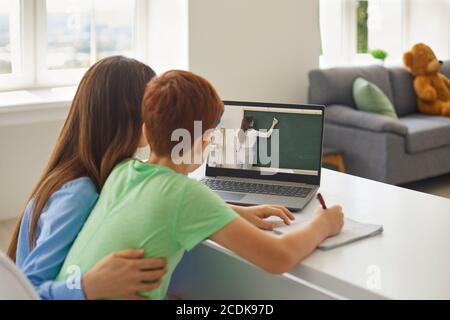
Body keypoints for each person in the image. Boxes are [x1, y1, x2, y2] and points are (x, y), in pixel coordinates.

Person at [7, 57, 294, 300]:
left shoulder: (118, 172)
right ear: (136, 120)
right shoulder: (78, 192)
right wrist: (89, 285)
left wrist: (233, 213)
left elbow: (153, 198)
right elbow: (23, 291)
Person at [56, 70, 344, 300]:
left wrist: (236, 212)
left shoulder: (122, 170)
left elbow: (160, 206)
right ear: (204, 140)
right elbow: (278, 258)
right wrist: (323, 224)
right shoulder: (185, 194)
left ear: (145, 130)